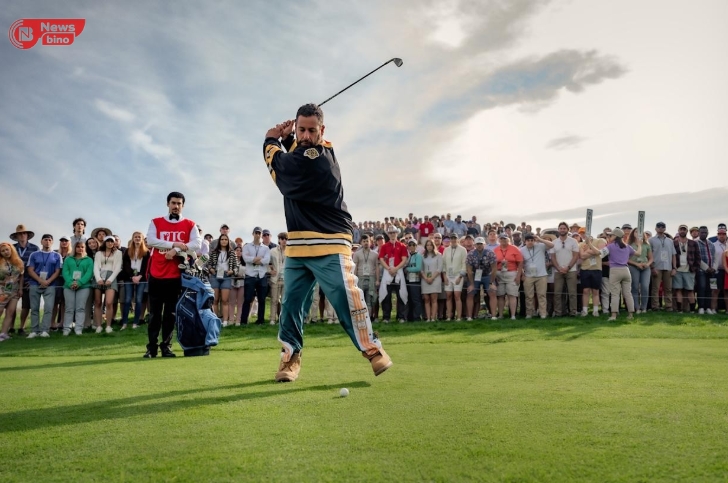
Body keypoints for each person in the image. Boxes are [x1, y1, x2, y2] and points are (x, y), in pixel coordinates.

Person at [263, 104, 392, 381]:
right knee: (291, 305)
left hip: (329, 240)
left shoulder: (317, 156)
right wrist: (287, 139)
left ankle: (373, 350)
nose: (306, 135)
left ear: (323, 130)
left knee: (346, 297)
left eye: (312, 130)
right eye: (301, 130)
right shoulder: (303, 149)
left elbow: (285, 170)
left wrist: (272, 139)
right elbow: (294, 154)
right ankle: (290, 357)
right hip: (298, 244)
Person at [144, 191, 201, 358]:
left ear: (182, 205)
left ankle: (166, 347)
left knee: (170, 314)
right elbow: (151, 240)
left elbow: (196, 244)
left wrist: (175, 250)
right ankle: (151, 348)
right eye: (173, 203)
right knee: (154, 314)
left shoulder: (190, 224)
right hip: (156, 274)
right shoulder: (156, 222)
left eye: (179, 203)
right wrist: (175, 243)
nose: (176, 206)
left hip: (175, 275)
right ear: (167, 204)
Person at [595, 228, 643, 321]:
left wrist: (589, 244)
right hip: (626, 270)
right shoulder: (627, 246)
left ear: (615, 236)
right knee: (628, 294)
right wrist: (639, 245)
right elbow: (638, 253)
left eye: (611, 235)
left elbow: (598, 253)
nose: (609, 237)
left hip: (615, 270)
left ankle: (613, 315)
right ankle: (630, 315)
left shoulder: (611, 246)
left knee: (615, 294)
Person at [26, 234, 62, 338]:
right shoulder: (34, 254)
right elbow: (30, 270)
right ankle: (34, 330)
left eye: (50, 240)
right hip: (35, 284)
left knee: (48, 308)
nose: (47, 242)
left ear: (52, 242)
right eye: (45, 240)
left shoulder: (56, 255)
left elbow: (57, 271)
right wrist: (40, 280)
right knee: (34, 308)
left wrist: (48, 281)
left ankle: (45, 330)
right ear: (41, 242)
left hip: (50, 285)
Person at [9, 224, 39, 335]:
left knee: (26, 306)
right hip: (13, 281)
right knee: (11, 306)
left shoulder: (35, 248)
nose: (22, 235)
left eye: (24, 233)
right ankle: (10, 327)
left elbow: (38, 266)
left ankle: (22, 328)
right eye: (19, 234)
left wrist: (32, 281)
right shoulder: (11, 248)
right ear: (16, 236)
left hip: (29, 281)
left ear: (27, 235)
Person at [62, 241, 94, 336]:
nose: (80, 249)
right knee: (69, 308)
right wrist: (70, 282)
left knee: (80, 308)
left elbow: (89, 273)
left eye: (82, 247)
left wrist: (79, 282)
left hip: (83, 287)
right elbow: (65, 272)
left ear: (85, 248)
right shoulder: (68, 259)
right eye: (78, 247)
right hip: (69, 286)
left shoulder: (89, 260)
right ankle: (66, 328)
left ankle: (78, 328)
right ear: (74, 248)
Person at [378, 227, 409, 323]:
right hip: (388, 272)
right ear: (388, 234)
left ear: (397, 233)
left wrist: (396, 268)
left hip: (398, 272)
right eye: (390, 233)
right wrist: (388, 268)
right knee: (386, 296)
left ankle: (401, 316)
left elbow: (404, 259)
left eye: (394, 232)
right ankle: (386, 317)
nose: (392, 234)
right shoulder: (384, 246)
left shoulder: (402, 246)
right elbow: (381, 259)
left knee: (400, 295)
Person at [520, 234, 554, 319]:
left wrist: (540, 239)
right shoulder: (521, 250)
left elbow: (552, 245)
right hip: (528, 275)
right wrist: (522, 274)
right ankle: (529, 313)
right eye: (528, 241)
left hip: (541, 275)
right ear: (525, 241)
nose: (530, 242)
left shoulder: (540, 246)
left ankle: (543, 313)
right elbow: (520, 264)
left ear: (534, 241)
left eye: (532, 240)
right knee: (529, 296)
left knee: (542, 295)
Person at [93, 236, 123, 333]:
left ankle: (108, 326)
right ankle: (98, 326)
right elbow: (96, 267)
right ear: (105, 242)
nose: (110, 243)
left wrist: (110, 279)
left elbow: (118, 267)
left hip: (111, 276)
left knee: (109, 302)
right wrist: (98, 278)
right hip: (99, 277)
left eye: (112, 241)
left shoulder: (118, 253)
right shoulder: (98, 253)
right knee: (97, 302)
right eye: (108, 241)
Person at [121, 232, 150, 330]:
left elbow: (146, 266)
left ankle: (135, 322)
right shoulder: (128, 251)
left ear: (142, 239)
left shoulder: (146, 252)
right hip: (129, 278)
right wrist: (131, 277)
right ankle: (124, 323)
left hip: (141, 278)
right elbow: (126, 265)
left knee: (138, 300)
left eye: (139, 237)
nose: (137, 239)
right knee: (128, 299)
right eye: (135, 237)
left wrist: (139, 276)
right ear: (132, 238)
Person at [207, 233, 238, 326]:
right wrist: (211, 269)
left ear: (228, 241)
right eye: (222, 239)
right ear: (219, 241)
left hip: (226, 276)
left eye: (225, 239)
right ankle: (215, 320)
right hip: (215, 275)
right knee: (215, 300)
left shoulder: (232, 253)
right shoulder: (214, 252)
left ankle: (225, 321)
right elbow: (209, 263)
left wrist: (232, 271)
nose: (224, 241)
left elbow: (236, 266)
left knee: (225, 300)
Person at [550, 222, 579, 317]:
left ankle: (573, 312)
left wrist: (568, 267)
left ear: (567, 230)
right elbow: (553, 257)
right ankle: (559, 312)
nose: (562, 230)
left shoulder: (573, 241)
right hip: (558, 271)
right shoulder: (554, 242)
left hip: (571, 270)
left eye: (564, 228)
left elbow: (575, 256)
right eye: (560, 228)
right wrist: (559, 268)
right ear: (558, 230)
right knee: (557, 293)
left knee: (572, 293)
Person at [242, 227, 270, 325]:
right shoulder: (247, 246)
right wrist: (257, 259)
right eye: (256, 233)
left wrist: (253, 259)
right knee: (247, 298)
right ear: (253, 234)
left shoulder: (266, 248)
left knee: (262, 299)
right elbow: (246, 258)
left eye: (259, 233)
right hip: (250, 275)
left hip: (261, 275)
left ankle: (260, 320)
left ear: (261, 235)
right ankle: (244, 320)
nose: (258, 235)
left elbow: (267, 260)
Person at [466, 237, 497, 321]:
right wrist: (472, 284)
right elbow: (469, 270)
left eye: (481, 244)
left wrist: (491, 283)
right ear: (475, 245)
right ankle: (469, 317)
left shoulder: (490, 253)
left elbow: (494, 269)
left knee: (492, 293)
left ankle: (494, 316)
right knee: (470, 293)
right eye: (477, 244)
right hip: (476, 275)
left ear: (484, 244)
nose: (479, 246)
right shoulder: (470, 254)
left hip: (488, 275)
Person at [494, 233, 524, 320]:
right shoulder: (496, 250)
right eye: (501, 239)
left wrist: (519, 275)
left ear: (508, 239)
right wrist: (494, 275)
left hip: (512, 273)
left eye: (505, 239)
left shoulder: (514, 249)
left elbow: (520, 262)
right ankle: (500, 315)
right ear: (499, 240)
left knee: (512, 294)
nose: (503, 240)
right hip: (499, 273)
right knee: (500, 295)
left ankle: (513, 315)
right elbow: (493, 263)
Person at [649, 222, 676, 311]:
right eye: (659, 227)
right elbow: (649, 255)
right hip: (656, 266)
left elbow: (673, 255)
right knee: (655, 288)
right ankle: (655, 306)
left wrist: (674, 268)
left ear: (665, 229)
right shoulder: (651, 240)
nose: (660, 228)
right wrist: (652, 267)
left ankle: (668, 306)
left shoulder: (670, 241)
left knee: (668, 288)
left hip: (668, 266)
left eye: (662, 227)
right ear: (655, 228)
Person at [673, 224, 700, 313]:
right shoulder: (674, 243)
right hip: (678, 269)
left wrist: (695, 268)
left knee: (690, 290)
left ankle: (692, 310)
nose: (682, 231)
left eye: (684, 230)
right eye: (681, 229)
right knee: (678, 289)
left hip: (689, 270)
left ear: (687, 231)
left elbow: (698, 257)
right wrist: (673, 268)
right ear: (678, 230)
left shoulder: (693, 243)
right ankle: (679, 309)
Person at [0, 243, 24, 341]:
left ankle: (3, 334)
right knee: (0, 311)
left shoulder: (18, 261)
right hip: (2, 290)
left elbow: (21, 276)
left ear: (11, 250)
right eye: (3, 251)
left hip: (14, 290)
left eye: (7, 249)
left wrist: (20, 289)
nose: (6, 252)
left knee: (10, 312)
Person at [442, 233, 467, 320]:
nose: (453, 240)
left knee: (457, 296)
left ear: (457, 239)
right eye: (451, 238)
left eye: (454, 238)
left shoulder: (463, 250)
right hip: (448, 275)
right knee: (448, 295)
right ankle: (449, 316)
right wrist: (444, 276)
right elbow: (444, 264)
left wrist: (460, 277)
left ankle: (459, 317)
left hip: (458, 275)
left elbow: (464, 264)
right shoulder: (446, 250)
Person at [352, 234, 378, 318]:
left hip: (371, 278)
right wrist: (354, 279)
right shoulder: (356, 254)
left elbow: (377, 268)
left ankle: (369, 318)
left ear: (370, 242)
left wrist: (377, 280)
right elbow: (355, 267)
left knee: (370, 299)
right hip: (360, 278)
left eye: (367, 241)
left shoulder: (375, 254)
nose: (366, 243)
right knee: (360, 299)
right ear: (361, 242)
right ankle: (361, 318)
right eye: (364, 241)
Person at [627, 229, 653, 314]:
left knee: (645, 287)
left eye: (640, 232)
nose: (638, 233)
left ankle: (644, 307)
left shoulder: (646, 244)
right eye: (636, 232)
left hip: (645, 267)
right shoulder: (629, 245)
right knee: (634, 287)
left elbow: (651, 258)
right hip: (634, 266)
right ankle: (636, 307)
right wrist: (636, 264)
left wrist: (647, 264)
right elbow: (626, 259)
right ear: (633, 234)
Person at [579, 236, 605, 317]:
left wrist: (588, 248)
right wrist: (593, 250)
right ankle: (585, 310)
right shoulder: (581, 244)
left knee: (595, 291)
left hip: (596, 269)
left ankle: (595, 310)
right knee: (585, 291)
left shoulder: (600, 241)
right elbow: (582, 256)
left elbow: (599, 252)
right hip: (585, 269)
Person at [695, 226, 716, 314]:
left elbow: (715, 257)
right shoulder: (695, 243)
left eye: (705, 232)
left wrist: (713, 268)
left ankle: (708, 307)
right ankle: (701, 307)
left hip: (712, 271)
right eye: (702, 232)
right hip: (701, 270)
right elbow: (697, 258)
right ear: (699, 233)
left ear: (708, 233)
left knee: (710, 289)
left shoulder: (711, 244)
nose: (704, 234)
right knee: (702, 288)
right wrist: (706, 268)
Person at [421, 239, 443, 322]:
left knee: (434, 299)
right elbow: (421, 269)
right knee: (426, 299)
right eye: (427, 245)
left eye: (430, 245)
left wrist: (432, 278)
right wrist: (426, 278)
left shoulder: (439, 255)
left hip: (435, 279)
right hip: (425, 279)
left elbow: (439, 268)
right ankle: (428, 318)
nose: (429, 247)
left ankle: (433, 317)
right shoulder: (423, 256)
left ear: (433, 246)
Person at [268, 232, 288, 325]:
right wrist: (270, 270)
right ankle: (272, 319)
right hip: (275, 279)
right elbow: (267, 263)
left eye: (286, 239)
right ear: (279, 240)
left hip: (287, 279)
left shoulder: (290, 251)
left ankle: (283, 319)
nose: (284, 240)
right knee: (274, 300)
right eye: (282, 238)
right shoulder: (272, 251)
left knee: (284, 301)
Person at [404, 239, 423, 321]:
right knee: (409, 299)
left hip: (415, 280)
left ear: (416, 246)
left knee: (416, 299)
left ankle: (417, 317)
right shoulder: (407, 256)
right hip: (408, 280)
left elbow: (418, 268)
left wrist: (408, 269)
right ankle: (410, 316)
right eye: (410, 245)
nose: (412, 246)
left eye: (413, 245)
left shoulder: (418, 256)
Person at [228, 245, 245, 325]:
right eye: (237, 250)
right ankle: (231, 319)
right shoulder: (230, 261)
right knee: (231, 302)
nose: (238, 252)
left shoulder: (245, 262)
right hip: (232, 282)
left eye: (240, 250)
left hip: (242, 283)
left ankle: (238, 320)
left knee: (240, 302)